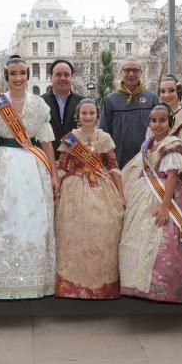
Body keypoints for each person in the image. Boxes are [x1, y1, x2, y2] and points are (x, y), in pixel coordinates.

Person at [0, 55, 58, 299]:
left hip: (33, 166)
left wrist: (54, 174)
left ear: (28, 76)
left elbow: (47, 142)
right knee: (2, 220)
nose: (18, 78)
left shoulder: (39, 105)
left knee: (32, 221)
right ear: (6, 76)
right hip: (1, 166)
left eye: (22, 73)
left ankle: (35, 280)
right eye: (13, 74)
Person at [118, 104, 182, 302]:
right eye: (153, 120)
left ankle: (161, 289)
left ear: (170, 123)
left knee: (161, 238)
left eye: (162, 120)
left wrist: (164, 206)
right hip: (144, 192)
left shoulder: (173, 145)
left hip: (165, 196)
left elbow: (172, 175)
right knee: (136, 237)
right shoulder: (149, 143)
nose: (157, 124)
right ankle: (136, 285)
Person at [55, 99, 124, 299]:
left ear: (97, 115)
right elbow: (62, 167)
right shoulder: (70, 139)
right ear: (78, 116)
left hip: (101, 187)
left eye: (91, 113)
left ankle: (102, 286)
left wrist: (121, 195)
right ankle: (73, 285)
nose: (87, 117)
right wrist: (56, 193)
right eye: (84, 113)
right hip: (74, 188)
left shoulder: (105, 138)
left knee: (103, 230)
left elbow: (113, 167)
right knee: (73, 234)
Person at [100, 56, 157, 168]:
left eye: (135, 70)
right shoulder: (111, 100)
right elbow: (104, 133)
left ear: (141, 72)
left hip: (146, 161)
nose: (131, 74)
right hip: (119, 162)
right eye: (127, 70)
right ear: (121, 72)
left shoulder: (152, 98)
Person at [43, 59, 85, 154]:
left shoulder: (82, 103)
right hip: (46, 161)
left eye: (66, 75)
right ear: (50, 77)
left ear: (71, 78)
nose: (62, 78)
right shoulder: (40, 102)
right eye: (58, 74)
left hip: (74, 161)